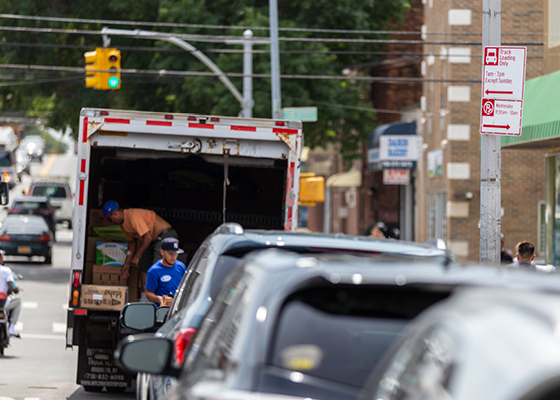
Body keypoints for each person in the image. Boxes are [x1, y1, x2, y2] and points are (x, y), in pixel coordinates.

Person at [101, 200, 179, 301]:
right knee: (143, 266)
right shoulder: (123, 225)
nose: (111, 222)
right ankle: (145, 300)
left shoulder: (133, 216)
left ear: (114, 214)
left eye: (110, 220)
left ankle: (161, 301)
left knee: (157, 267)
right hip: (153, 241)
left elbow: (148, 237)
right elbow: (132, 243)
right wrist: (127, 264)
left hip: (165, 236)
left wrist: (137, 256)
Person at [145, 238, 186, 307]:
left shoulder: (181, 266)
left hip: (179, 308)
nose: (174, 256)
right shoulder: (154, 271)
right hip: (163, 310)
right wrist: (159, 299)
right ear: (162, 252)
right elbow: (148, 293)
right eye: (170, 253)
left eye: (176, 253)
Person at [0, 251, 21, 338]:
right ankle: (11, 328)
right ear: (1, 259)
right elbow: (11, 287)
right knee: (18, 302)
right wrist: (10, 292)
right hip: (2, 302)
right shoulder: (6, 270)